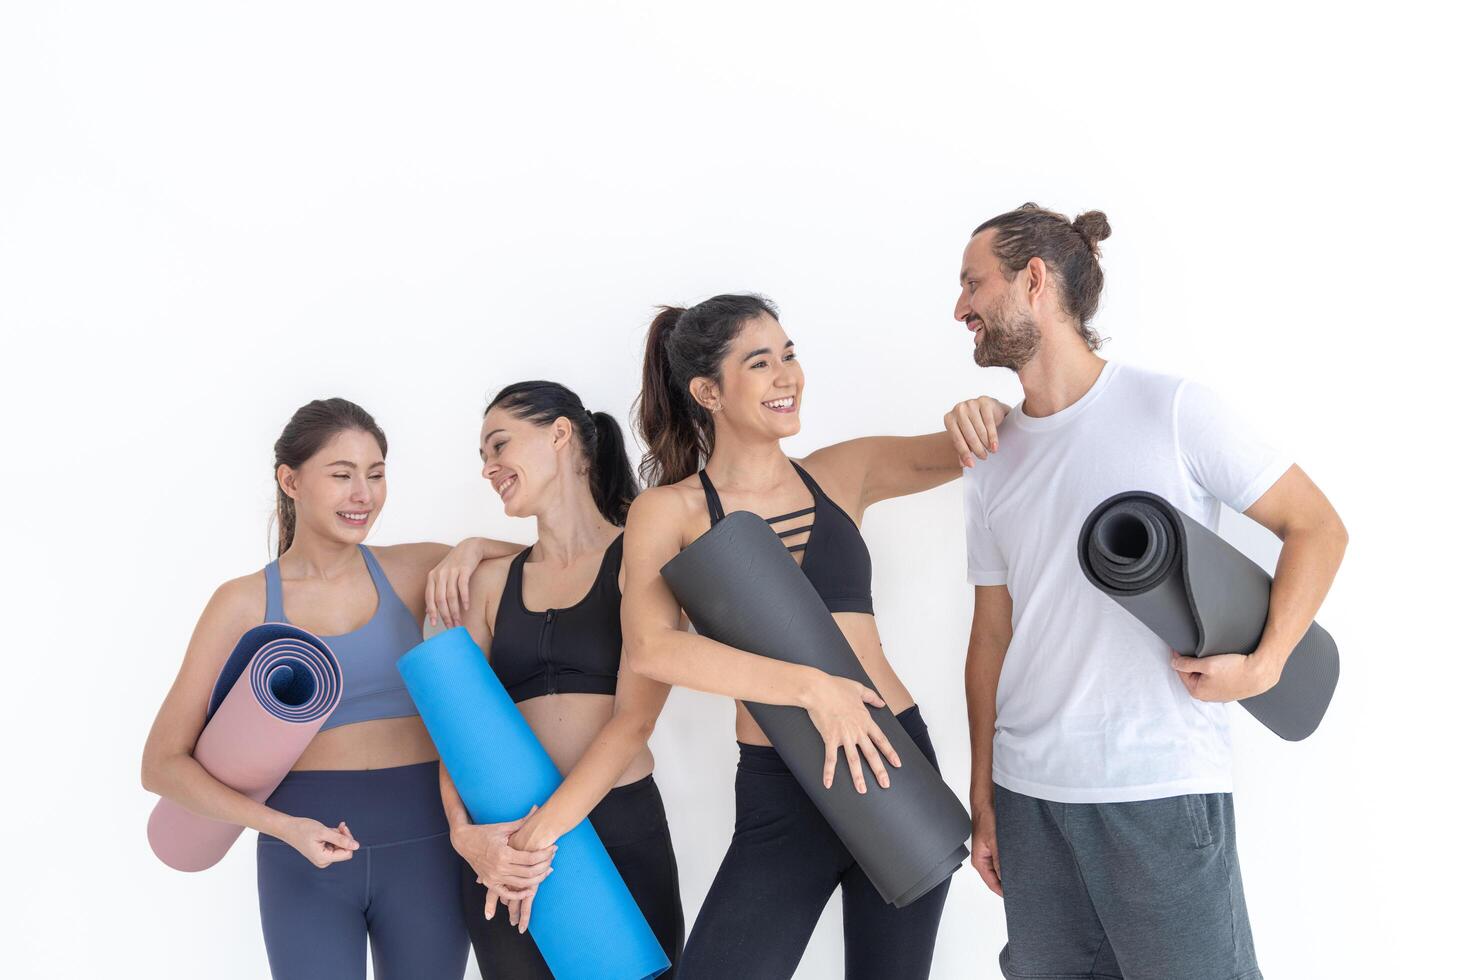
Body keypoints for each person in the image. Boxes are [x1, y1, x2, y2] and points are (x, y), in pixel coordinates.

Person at [948, 204, 1348, 980]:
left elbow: (1317, 526)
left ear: (1033, 281)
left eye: (973, 284)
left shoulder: (1172, 410)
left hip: (1156, 786)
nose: (959, 308)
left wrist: (1266, 665)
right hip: (1029, 797)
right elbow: (990, 635)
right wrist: (984, 792)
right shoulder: (991, 457)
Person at [620, 294, 1009, 979]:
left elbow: (980, 443)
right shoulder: (670, 511)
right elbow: (653, 647)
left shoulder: (840, 474)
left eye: (791, 356)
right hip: (782, 788)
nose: (787, 376)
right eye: (761, 363)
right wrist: (812, 689)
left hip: (892, 762)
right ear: (708, 391)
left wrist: (981, 411)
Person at [141, 397, 521, 980]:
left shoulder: (418, 571)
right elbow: (161, 765)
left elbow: (548, 568)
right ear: (290, 481)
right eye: (342, 475)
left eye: (376, 474)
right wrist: (282, 827)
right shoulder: (241, 603)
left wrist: (471, 548)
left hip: (429, 845)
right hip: (301, 850)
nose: (363, 494)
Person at [426, 381, 684, 977]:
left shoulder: (640, 563)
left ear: (561, 434)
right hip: (502, 844)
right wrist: (467, 838)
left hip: (613, 827)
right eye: (484, 457)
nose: (489, 468)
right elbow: (455, 727)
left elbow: (635, 720)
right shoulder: (489, 583)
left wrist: (536, 837)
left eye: (499, 446)